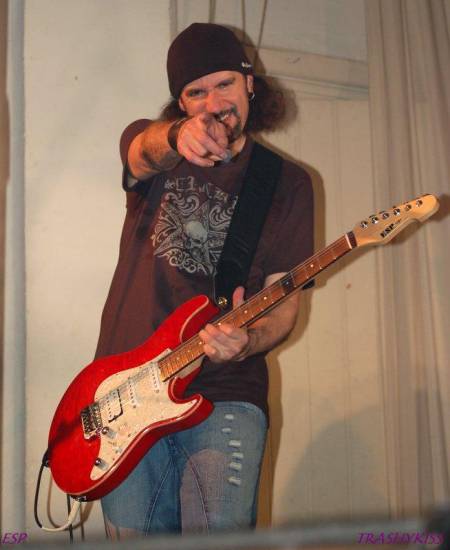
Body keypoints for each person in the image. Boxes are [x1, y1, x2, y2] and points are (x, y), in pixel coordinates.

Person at [96, 23, 314, 538]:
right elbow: (140, 149)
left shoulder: (288, 183)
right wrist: (175, 136)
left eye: (224, 85)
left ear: (250, 84)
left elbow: (284, 302)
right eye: (196, 92)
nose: (212, 104)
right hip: (127, 390)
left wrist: (249, 341)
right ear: (180, 103)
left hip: (225, 392)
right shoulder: (157, 153)